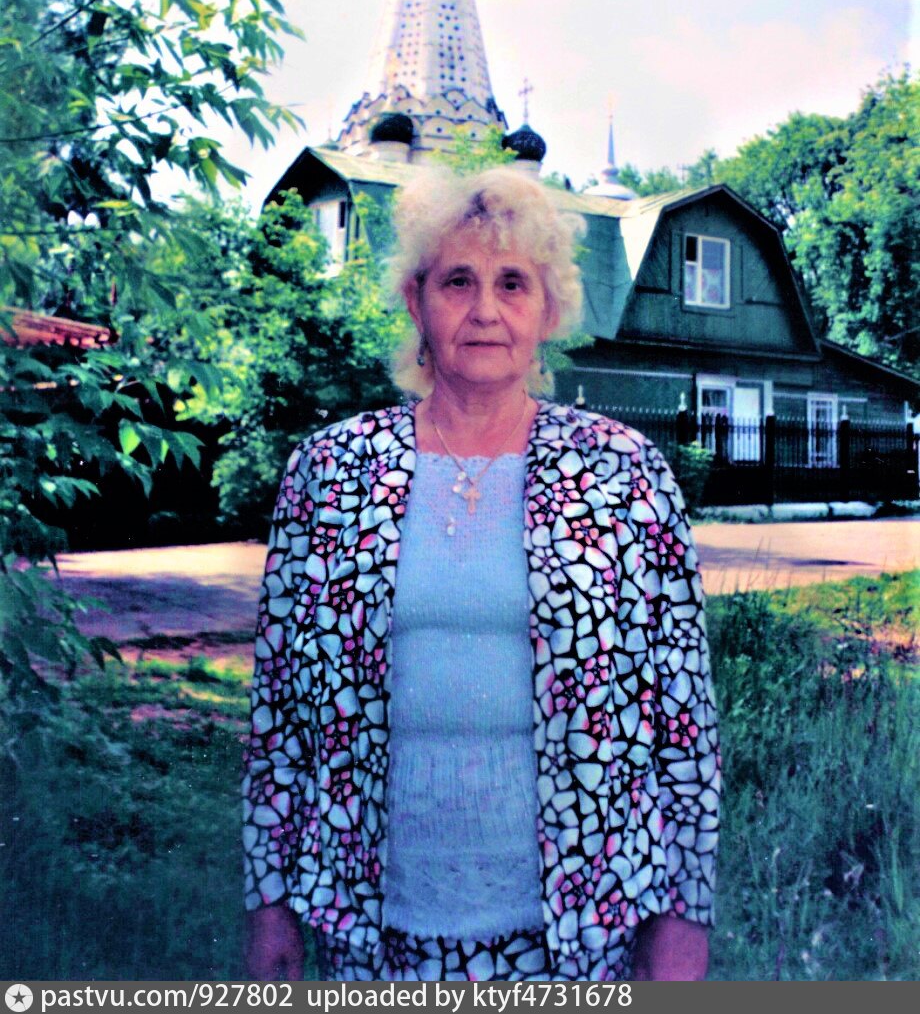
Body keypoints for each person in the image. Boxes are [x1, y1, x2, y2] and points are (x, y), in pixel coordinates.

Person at [242, 165, 720, 983]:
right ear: (416, 300)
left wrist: (684, 920)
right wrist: (269, 903)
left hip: (580, 935)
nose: (486, 309)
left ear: (549, 309)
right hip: (372, 934)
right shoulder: (331, 470)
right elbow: (279, 717)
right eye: (458, 280)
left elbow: (685, 723)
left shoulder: (623, 472)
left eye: (513, 283)